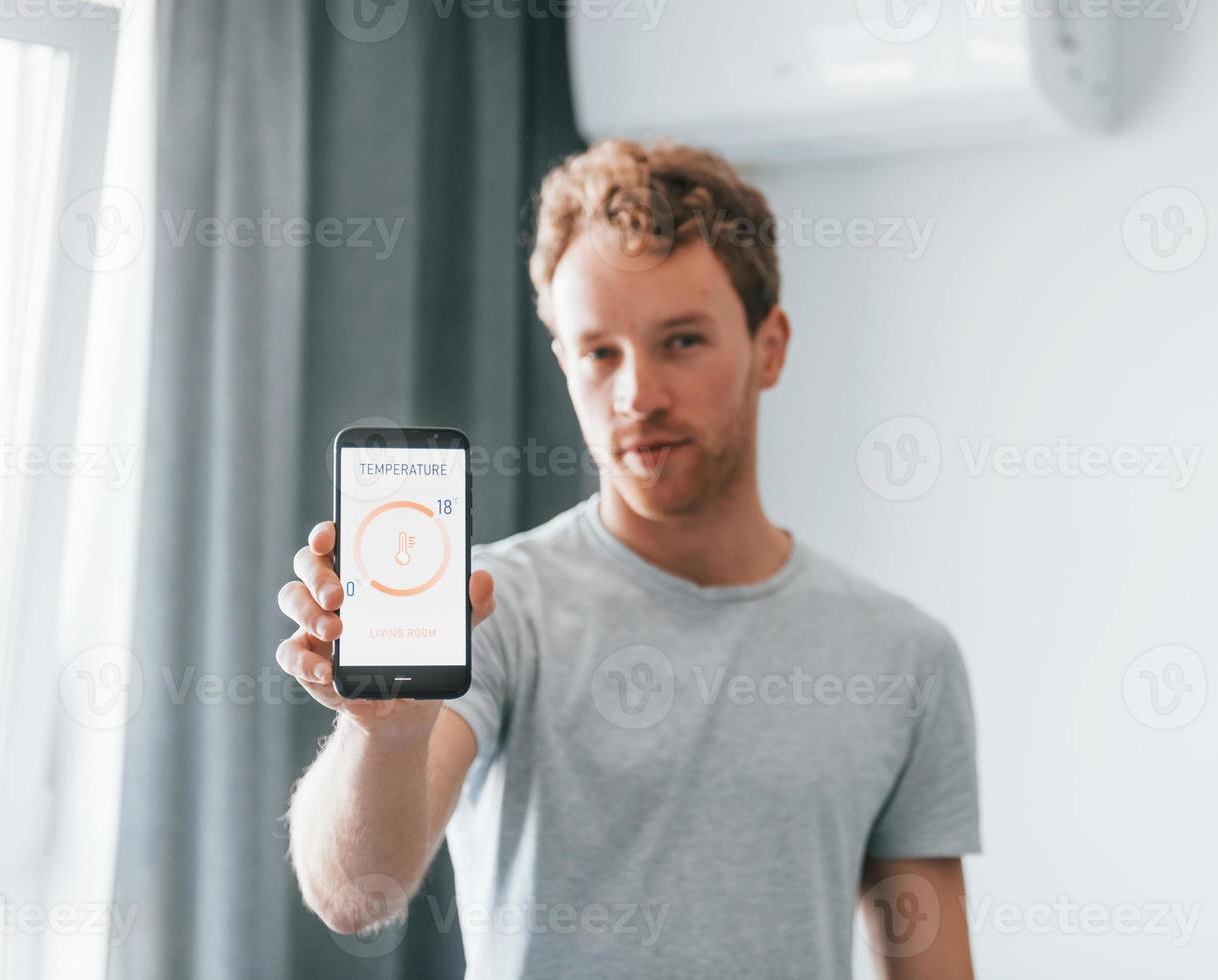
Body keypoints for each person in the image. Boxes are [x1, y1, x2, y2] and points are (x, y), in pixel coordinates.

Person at [277, 138, 980, 979]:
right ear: (564, 363)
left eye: (682, 341)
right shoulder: (494, 611)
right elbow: (357, 895)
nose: (636, 395)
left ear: (771, 347)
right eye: (599, 351)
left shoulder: (905, 657)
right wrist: (381, 736)